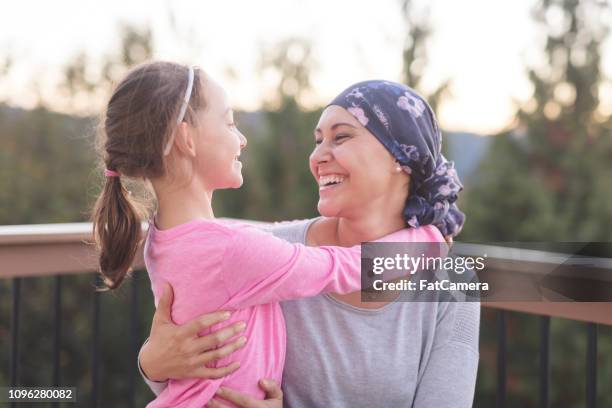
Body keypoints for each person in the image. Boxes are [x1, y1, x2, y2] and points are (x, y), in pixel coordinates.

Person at [90, 62, 442, 408]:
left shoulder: (165, 240)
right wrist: (427, 239)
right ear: (186, 138)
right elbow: (344, 267)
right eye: (229, 123)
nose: (241, 138)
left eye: (342, 137)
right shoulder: (236, 250)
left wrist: (151, 363)